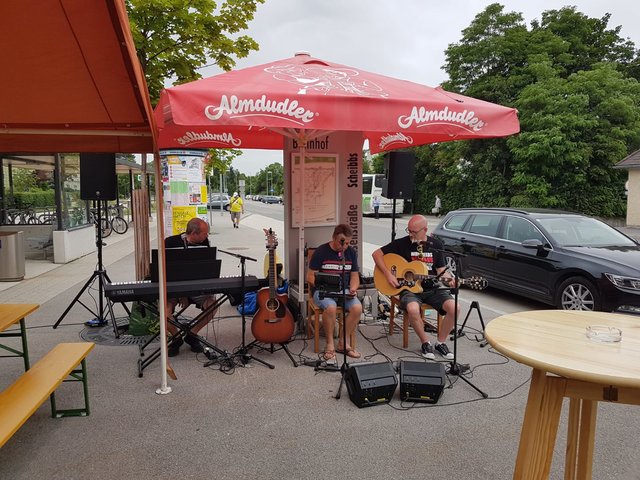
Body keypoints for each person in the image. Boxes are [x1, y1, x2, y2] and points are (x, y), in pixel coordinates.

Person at [372, 214, 457, 360]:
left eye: (414, 231)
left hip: (432, 288)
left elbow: (440, 270)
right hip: (409, 289)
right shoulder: (401, 244)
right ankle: (425, 342)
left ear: (425, 230)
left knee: (455, 308)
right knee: (412, 309)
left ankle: (440, 342)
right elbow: (376, 254)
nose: (410, 234)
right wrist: (388, 275)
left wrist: (449, 280)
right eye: (409, 230)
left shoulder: (436, 245)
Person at [307, 224, 363, 362]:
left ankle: (343, 343)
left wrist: (353, 288)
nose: (344, 246)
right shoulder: (321, 251)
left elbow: (355, 276)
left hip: (344, 290)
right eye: (341, 242)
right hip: (323, 290)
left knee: (357, 308)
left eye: (348, 243)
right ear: (333, 237)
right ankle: (330, 344)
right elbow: (310, 276)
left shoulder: (351, 252)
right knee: (330, 308)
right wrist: (321, 285)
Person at [164, 217, 217, 356]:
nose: (207, 236)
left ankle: (191, 335)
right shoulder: (170, 242)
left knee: (213, 304)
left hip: (197, 288)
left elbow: (207, 268)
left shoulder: (205, 243)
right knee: (164, 312)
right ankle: (176, 337)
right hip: (174, 288)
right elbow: (165, 271)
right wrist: (182, 293)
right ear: (193, 233)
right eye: (205, 233)